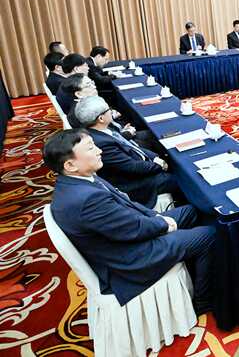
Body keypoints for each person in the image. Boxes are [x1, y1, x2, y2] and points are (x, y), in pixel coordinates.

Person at [45, 129, 215, 314]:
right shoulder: (86, 199)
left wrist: (155, 217)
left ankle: (198, 266)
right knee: (208, 235)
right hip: (131, 259)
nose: (99, 151)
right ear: (70, 165)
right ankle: (204, 302)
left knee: (191, 211)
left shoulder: (81, 179)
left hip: (129, 235)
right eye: (91, 148)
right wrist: (164, 224)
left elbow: (128, 204)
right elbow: (133, 230)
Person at [75, 96, 178, 209]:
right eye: (108, 109)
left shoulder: (102, 129)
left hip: (138, 164)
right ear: (101, 118)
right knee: (178, 178)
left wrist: (154, 157)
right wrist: (159, 166)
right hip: (136, 184)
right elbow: (133, 167)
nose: (111, 111)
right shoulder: (102, 143)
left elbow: (131, 147)